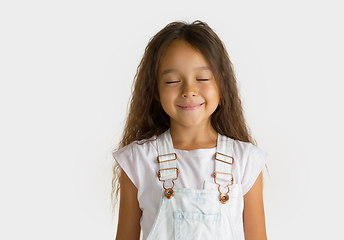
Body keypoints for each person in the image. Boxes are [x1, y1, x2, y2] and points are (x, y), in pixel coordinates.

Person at [112, 20, 268, 240]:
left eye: (202, 78)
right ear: (155, 90)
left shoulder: (245, 161)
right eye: (173, 80)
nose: (189, 90)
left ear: (222, 84)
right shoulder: (137, 161)